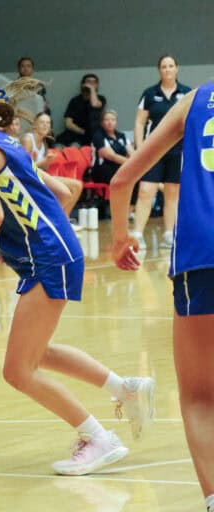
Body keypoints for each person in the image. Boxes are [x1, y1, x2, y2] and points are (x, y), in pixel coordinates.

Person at [0, 77, 155, 476]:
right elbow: (66, 191)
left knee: (17, 370)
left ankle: (99, 438)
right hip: (53, 254)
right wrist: (32, 239)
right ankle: (128, 390)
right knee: (38, 353)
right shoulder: (4, 142)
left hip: (50, 258)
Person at [110, 81, 214, 512]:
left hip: (199, 252)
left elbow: (121, 179)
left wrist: (120, 239)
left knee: (200, 397)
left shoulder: (195, 100)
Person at [131, 55, 191, 250]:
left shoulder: (187, 93)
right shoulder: (149, 94)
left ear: (177, 69)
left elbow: (191, 122)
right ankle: (137, 234)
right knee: (146, 190)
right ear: (159, 70)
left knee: (173, 193)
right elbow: (140, 122)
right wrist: (140, 149)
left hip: (177, 150)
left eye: (171, 66)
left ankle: (169, 234)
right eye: (164, 66)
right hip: (153, 150)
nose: (167, 69)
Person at [22, 112, 83, 219]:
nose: (46, 125)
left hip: (40, 177)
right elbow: (23, 168)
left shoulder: (44, 143)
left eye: (48, 123)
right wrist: (44, 161)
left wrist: (47, 162)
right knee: (66, 193)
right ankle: (55, 219)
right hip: (28, 180)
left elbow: (42, 168)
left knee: (77, 185)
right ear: (34, 125)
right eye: (42, 122)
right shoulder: (28, 139)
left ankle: (65, 218)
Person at [56, 73, 105, 147]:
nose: (91, 84)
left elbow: (94, 104)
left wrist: (92, 89)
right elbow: (68, 123)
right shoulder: (75, 100)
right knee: (58, 147)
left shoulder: (101, 99)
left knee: (74, 147)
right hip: (73, 133)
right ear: (83, 84)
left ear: (97, 85)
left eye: (94, 82)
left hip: (89, 137)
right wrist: (82, 131)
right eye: (88, 82)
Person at [91, 109, 133, 184]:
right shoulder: (98, 136)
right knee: (133, 175)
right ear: (101, 123)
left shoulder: (121, 136)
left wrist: (137, 163)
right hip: (103, 170)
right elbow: (111, 156)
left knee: (137, 173)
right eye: (106, 120)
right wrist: (132, 164)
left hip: (120, 167)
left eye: (113, 120)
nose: (110, 123)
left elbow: (132, 153)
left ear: (116, 122)